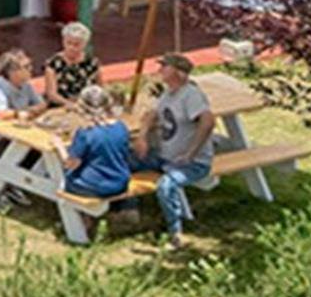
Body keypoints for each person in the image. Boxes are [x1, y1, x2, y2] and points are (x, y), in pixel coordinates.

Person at [135, 53, 216, 247]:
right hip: (164, 157)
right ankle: (126, 209)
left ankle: (175, 231)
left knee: (166, 186)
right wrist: (142, 137)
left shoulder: (190, 95)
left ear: (179, 73)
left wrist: (191, 153)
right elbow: (150, 115)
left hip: (191, 164)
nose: (160, 70)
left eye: (165, 66)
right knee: (125, 159)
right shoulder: (168, 92)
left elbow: (208, 120)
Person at [61, 85, 133, 206]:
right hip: (120, 182)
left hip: (95, 186)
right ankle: (125, 207)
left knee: (64, 178)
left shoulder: (86, 132)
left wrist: (60, 148)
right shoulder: (121, 126)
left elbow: (71, 164)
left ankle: (81, 216)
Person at [0, 50, 45, 154]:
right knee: (27, 152)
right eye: (26, 67)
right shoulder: (0, 87)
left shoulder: (26, 85)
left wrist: (33, 110)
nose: (31, 69)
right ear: (12, 72)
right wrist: (20, 113)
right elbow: (1, 114)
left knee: (36, 150)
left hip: (14, 132)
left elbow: (41, 104)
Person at [44, 21, 102, 106]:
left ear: (84, 44)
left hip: (86, 105)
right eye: (68, 43)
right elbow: (51, 94)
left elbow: (99, 87)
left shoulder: (92, 62)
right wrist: (70, 104)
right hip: (61, 105)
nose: (71, 48)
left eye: (76, 45)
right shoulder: (53, 64)